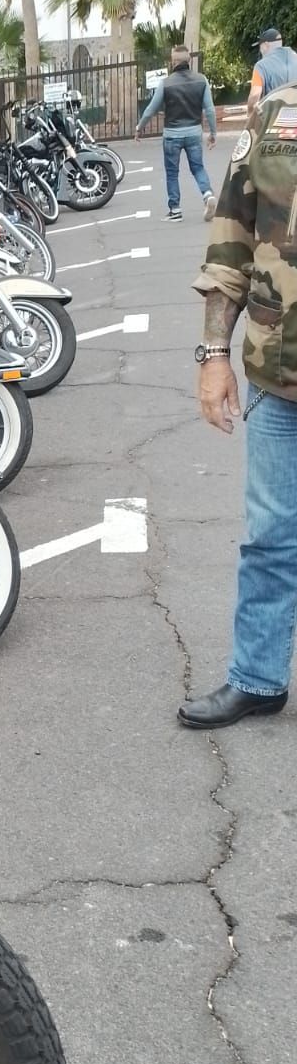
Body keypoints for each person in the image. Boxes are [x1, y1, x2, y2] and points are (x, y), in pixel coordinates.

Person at [179, 79, 297, 728]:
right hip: (280, 378)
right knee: (272, 538)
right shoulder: (277, 114)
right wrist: (213, 355)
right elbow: (231, 241)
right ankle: (259, 677)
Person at [133, 46, 218, 223]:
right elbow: (209, 109)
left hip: (172, 134)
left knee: (172, 173)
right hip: (194, 132)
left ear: (173, 62)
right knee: (198, 167)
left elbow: (151, 109)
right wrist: (213, 132)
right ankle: (207, 194)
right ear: (189, 60)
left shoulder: (166, 83)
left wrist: (139, 127)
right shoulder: (201, 80)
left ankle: (175, 210)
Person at [246, 28, 297, 121]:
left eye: (260, 47)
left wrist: (249, 114)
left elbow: (254, 96)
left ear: (266, 45)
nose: (260, 50)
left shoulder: (261, 66)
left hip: (275, 119)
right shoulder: (295, 57)